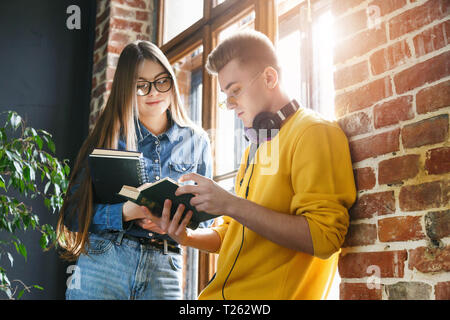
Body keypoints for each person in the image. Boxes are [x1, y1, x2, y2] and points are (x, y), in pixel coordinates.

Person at [143, 30, 356, 300]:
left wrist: (229, 203)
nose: (231, 105)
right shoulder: (256, 147)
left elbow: (325, 238)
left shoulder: (314, 132)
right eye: (226, 95)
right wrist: (185, 237)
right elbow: (234, 233)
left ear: (269, 77)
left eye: (236, 91)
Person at [57, 40, 213, 300]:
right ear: (126, 89)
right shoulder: (108, 136)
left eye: (161, 81)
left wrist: (177, 227)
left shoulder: (196, 142)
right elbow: (73, 214)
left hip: (165, 265)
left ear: (172, 81)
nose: (154, 92)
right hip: (105, 258)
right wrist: (124, 212)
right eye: (141, 86)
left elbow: (208, 220)